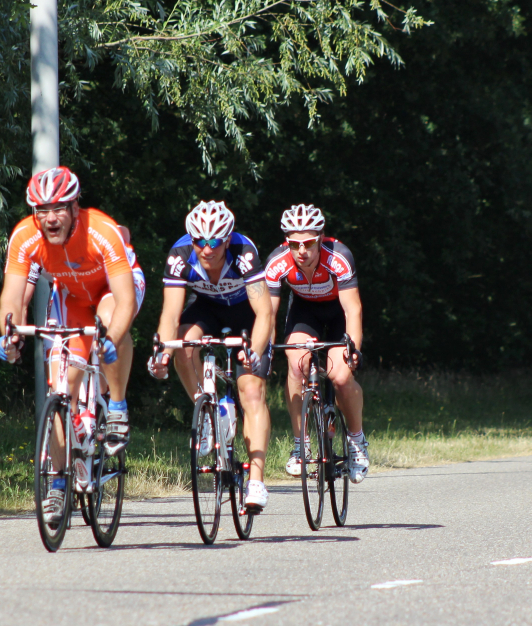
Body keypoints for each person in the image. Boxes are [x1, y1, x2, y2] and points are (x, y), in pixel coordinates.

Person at [0, 167, 141, 522]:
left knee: (108, 325)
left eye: (58, 208)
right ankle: (58, 485)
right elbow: (13, 298)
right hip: (72, 296)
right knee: (61, 388)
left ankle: (117, 405)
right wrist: (9, 334)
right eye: (41, 210)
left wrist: (113, 338)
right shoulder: (24, 237)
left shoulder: (101, 231)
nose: (49, 218)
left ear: (75, 207)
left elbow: (125, 300)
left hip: (112, 289)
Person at [148, 201, 275, 512]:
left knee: (251, 391)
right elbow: (171, 313)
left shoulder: (244, 252)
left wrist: (253, 353)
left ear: (227, 239)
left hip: (247, 314)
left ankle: (256, 480)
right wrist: (163, 351)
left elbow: (265, 312)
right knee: (182, 348)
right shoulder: (180, 255)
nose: (206, 248)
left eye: (215, 241)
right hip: (207, 310)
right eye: (199, 241)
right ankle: (206, 413)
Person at [263, 205, 370, 483]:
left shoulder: (339, 257)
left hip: (338, 312)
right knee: (297, 365)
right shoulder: (277, 262)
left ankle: (357, 441)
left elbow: (353, 310)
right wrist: (265, 351)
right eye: (294, 244)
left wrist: (353, 349)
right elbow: (268, 314)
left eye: (309, 243)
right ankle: (301, 444)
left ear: (321, 237)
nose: (302, 251)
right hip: (304, 312)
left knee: (341, 376)